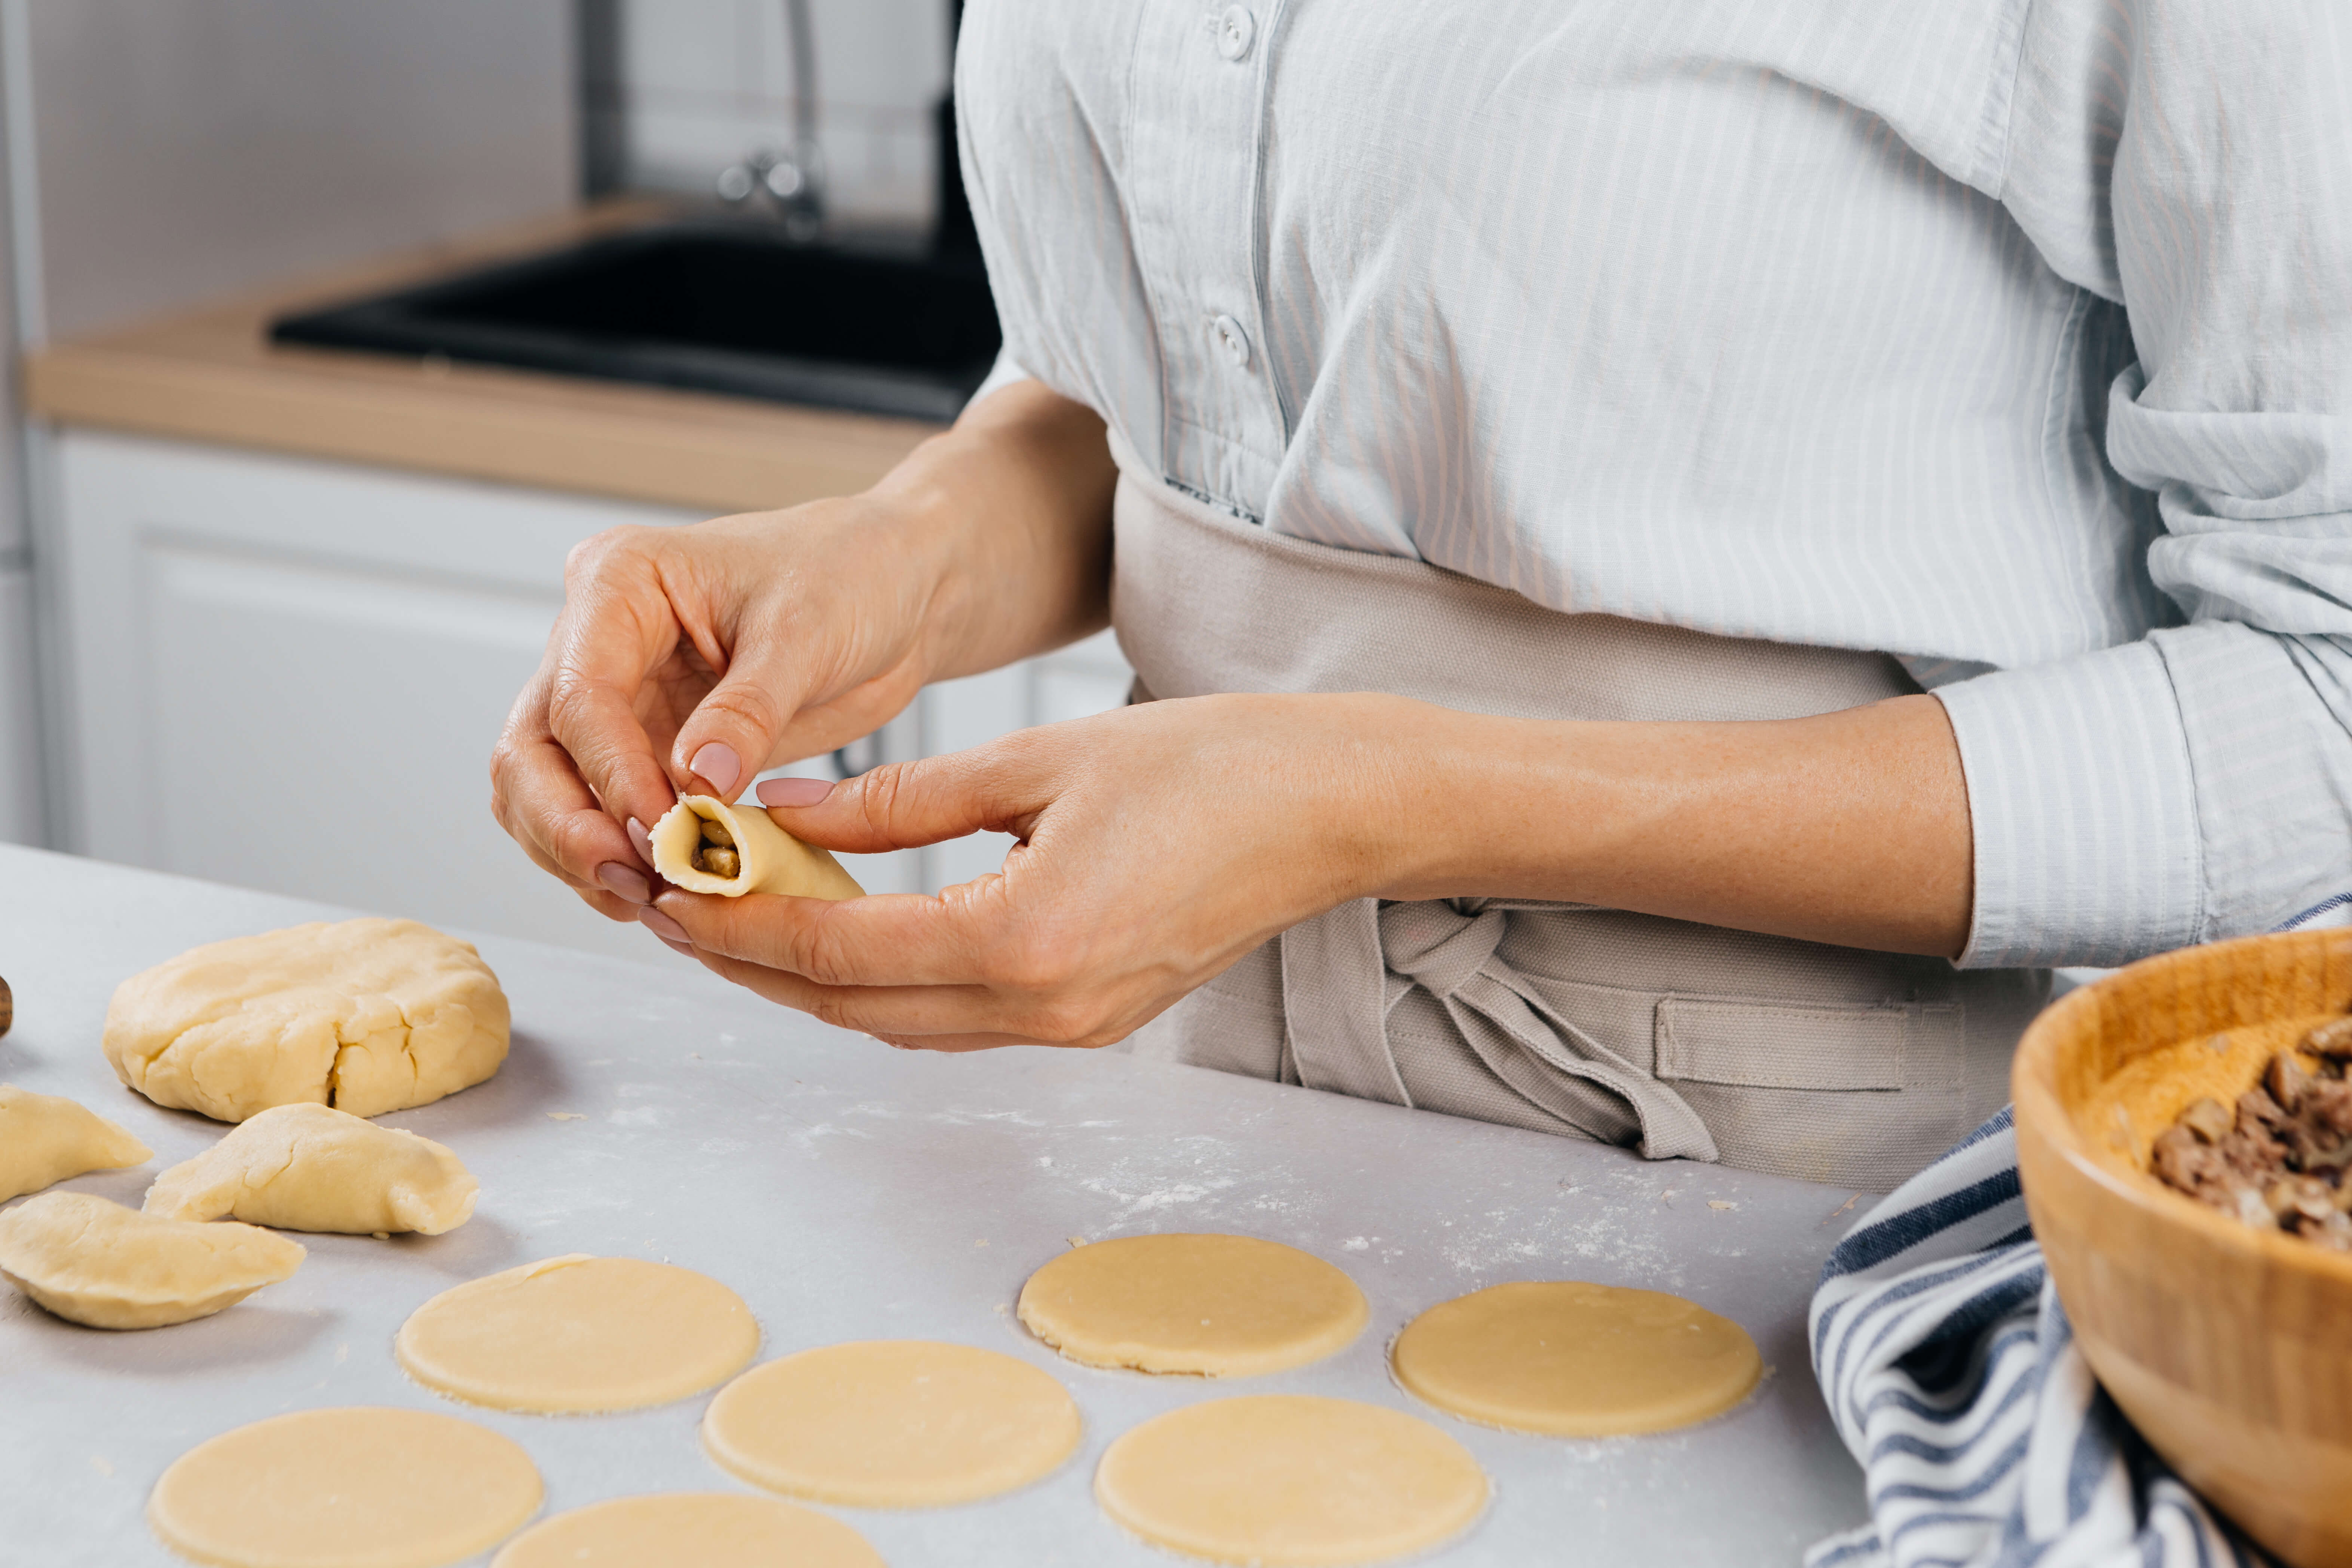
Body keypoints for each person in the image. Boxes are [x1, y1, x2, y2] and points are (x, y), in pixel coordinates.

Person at [493, 0, 2350, 1191]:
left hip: (1777, 1186)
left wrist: (1374, 799)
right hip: (1146, 1083)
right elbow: (1213, 365)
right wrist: (908, 542)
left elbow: (2325, 699)